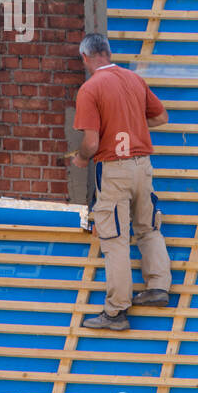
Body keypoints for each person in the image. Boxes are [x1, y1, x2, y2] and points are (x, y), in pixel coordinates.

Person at [72, 32, 172, 330]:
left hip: (114, 168)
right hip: (143, 165)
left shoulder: (90, 89)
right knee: (148, 227)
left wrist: (79, 159)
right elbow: (161, 117)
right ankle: (158, 286)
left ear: (85, 58)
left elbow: (91, 143)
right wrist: (134, 125)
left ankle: (116, 312)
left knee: (114, 239)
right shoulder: (133, 79)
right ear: (109, 52)